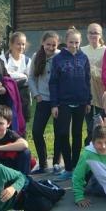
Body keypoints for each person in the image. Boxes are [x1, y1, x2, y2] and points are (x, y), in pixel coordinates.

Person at [49, 27, 91, 181]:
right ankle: (67, 167)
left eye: (77, 42)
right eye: (71, 42)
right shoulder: (58, 59)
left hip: (81, 102)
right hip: (63, 103)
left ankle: (75, 166)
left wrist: (88, 100)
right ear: (66, 42)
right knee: (63, 134)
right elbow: (53, 82)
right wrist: (54, 104)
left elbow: (87, 80)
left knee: (78, 134)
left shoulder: (83, 57)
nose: (74, 45)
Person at [29, 31, 62, 174]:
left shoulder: (61, 56)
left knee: (59, 132)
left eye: (53, 45)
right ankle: (43, 164)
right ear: (43, 43)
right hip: (43, 99)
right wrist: (36, 94)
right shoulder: (37, 56)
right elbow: (31, 77)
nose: (50, 47)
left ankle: (56, 163)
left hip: (58, 101)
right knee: (36, 131)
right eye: (48, 44)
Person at [0, 31, 32, 126]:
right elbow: (6, 76)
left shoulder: (27, 60)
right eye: (18, 44)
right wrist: (22, 76)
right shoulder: (3, 58)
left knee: (22, 122)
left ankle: (21, 140)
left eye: (23, 44)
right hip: (8, 95)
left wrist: (16, 76)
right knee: (8, 121)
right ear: (11, 44)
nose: (21, 47)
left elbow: (29, 78)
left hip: (23, 96)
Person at [81, 23, 106, 126]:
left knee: (102, 120)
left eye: (95, 33)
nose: (93, 35)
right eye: (90, 33)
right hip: (86, 90)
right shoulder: (82, 50)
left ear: (100, 35)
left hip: (101, 89)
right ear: (87, 35)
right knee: (89, 122)